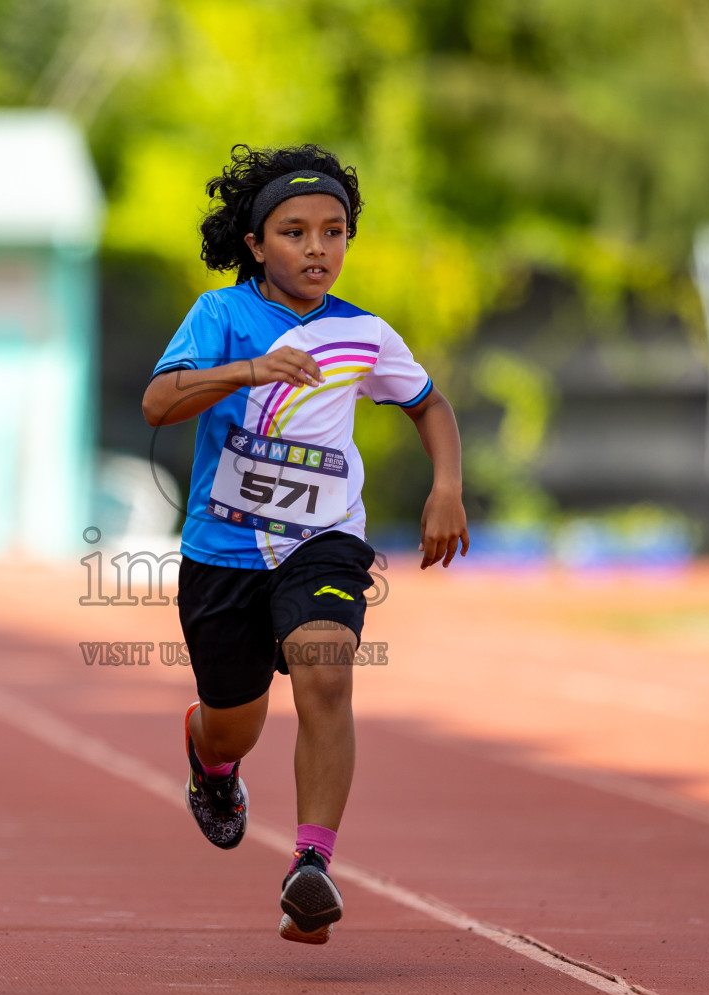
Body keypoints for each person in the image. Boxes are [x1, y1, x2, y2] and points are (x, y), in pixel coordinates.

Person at [141, 144, 469, 944]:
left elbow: (427, 405)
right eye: (294, 232)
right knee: (236, 723)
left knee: (325, 671)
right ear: (256, 244)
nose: (317, 248)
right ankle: (210, 760)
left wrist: (446, 488)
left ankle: (311, 865)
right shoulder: (219, 318)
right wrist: (248, 371)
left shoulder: (366, 332)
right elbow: (156, 403)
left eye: (334, 231)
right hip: (223, 555)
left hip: (323, 542)